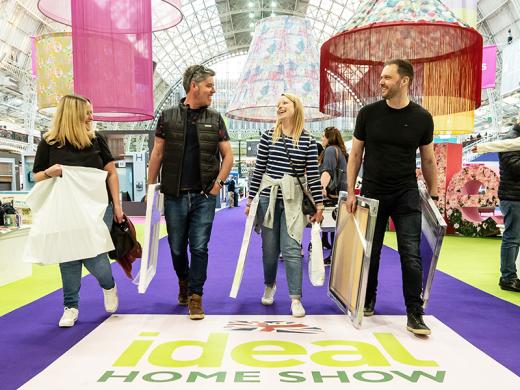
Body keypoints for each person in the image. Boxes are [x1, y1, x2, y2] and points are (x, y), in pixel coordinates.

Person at [346, 59, 438, 335]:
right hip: (373, 193)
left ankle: (414, 313)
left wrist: (433, 195)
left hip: (406, 194)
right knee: (370, 253)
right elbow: (355, 156)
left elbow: (429, 160)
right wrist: (351, 192)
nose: (381, 82)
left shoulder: (422, 117)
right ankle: (368, 299)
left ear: (405, 81)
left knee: (411, 254)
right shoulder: (368, 114)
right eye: (381, 77)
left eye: (387, 77)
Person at [147, 64, 233, 320]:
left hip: (204, 196)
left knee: (199, 247)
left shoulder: (215, 118)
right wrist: (151, 187)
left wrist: (218, 184)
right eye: (209, 85)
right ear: (194, 86)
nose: (213, 91)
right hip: (174, 195)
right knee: (175, 247)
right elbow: (158, 153)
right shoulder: (168, 116)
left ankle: (196, 296)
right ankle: (183, 282)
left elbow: (227, 156)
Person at [32, 94, 123, 328]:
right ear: (73, 114)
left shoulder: (96, 140)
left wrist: (117, 205)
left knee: (95, 256)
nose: (92, 117)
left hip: (97, 207)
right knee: (69, 256)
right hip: (65, 208)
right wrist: (50, 173)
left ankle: (108, 285)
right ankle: (70, 306)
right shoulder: (49, 143)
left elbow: (111, 173)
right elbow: (37, 176)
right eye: (88, 113)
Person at [246, 93, 324, 318]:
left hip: (293, 202)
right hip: (268, 199)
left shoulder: (308, 140)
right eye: (277, 104)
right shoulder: (268, 136)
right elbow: (258, 171)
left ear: (295, 108)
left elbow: (313, 177)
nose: (279, 107)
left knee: (291, 249)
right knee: (269, 252)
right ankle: (270, 285)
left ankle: (295, 299)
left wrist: (318, 205)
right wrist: (251, 201)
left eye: (284, 103)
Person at [474, 122, 520, 292]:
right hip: (514, 197)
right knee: (512, 238)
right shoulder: (510, 141)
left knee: (515, 238)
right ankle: (508, 277)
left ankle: (511, 276)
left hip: (515, 196)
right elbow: (516, 168)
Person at [319, 126, 348, 264]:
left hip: (333, 193)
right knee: (339, 227)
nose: (321, 139)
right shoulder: (341, 151)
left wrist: (321, 188)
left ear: (329, 138)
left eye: (323, 136)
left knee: (332, 225)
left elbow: (327, 172)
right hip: (342, 192)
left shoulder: (330, 150)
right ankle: (336, 256)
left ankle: (334, 257)